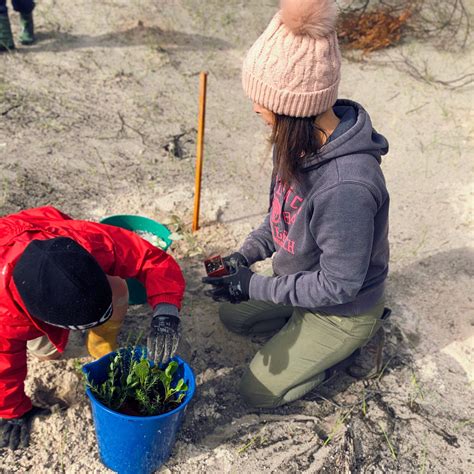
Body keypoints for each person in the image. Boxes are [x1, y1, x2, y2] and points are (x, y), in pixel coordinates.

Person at [203, 0, 391, 409]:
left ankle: (355, 345)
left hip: (341, 309)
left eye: (261, 103)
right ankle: (297, 323)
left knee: (258, 393)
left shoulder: (347, 187)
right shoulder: (297, 144)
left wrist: (255, 284)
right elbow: (280, 219)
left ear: (292, 109)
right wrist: (243, 257)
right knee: (232, 316)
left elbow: (338, 285)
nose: (255, 109)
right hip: (301, 285)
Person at [0, 206, 185, 449]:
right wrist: (12, 411)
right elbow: (4, 365)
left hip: (44, 232)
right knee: (48, 354)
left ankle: (101, 341)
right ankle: (52, 340)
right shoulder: (6, 316)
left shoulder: (87, 240)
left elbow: (150, 259)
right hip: (12, 285)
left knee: (119, 287)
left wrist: (166, 311)